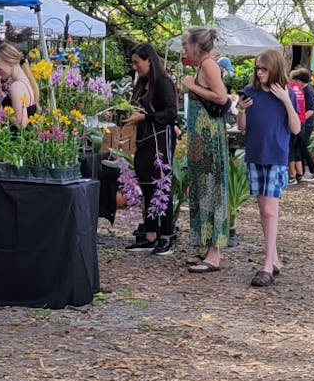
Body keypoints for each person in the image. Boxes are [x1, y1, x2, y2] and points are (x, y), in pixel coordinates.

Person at [235, 49, 301, 287]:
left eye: (264, 69)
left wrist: (286, 100)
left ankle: (267, 266)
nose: (260, 73)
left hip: (276, 155)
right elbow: (242, 127)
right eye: (257, 69)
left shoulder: (286, 93)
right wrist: (241, 109)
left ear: (274, 69)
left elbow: (296, 128)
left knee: (270, 210)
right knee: (263, 210)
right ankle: (273, 258)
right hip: (255, 154)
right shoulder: (250, 91)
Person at [180, 28, 232, 273]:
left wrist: (192, 85)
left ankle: (214, 254)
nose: (184, 50)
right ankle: (207, 246)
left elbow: (221, 97)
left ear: (195, 45)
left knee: (211, 190)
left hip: (209, 140)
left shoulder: (209, 64)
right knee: (202, 190)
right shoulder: (204, 65)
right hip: (202, 141)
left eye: (185, 45)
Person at [124, 44, 179, 255]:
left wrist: (146, 117)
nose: (135, 67)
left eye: (137, 62)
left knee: (161, 186)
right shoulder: (141, 83)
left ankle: (166, 236)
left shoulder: (163, 83)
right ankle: (150, 235)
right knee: (147, 185)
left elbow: (171, 113)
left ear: (149, 61)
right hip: (145, 140)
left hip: (161, 140)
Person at [0, 42, 38, 127]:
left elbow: (21, 124)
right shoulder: (25, 82)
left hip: (15, 135)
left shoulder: (16, 87)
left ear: (9, 61)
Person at [291, 68, 314, 182]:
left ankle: (312, 171)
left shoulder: (308, 91)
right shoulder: (301, 90)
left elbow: (310, 111)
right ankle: (301, 173)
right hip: (301, 123)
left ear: (301, 80)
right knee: (298, 147)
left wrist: (298, 120)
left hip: (306, 124)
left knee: (302, 147)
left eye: (295, 80)